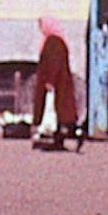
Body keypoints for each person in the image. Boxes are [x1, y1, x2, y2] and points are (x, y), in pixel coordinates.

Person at [31, 16, 80, 151]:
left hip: (57, 83)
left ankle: (71, 136)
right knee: (60, 113)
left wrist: (50, 81)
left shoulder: (54, 41)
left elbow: (54, 62)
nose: (41, 29)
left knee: (56, 112)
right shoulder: (55, 40)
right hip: (59, 82)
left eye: (42, 26)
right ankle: (60, 139)